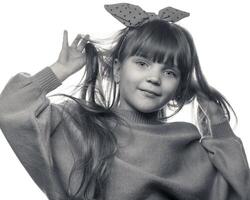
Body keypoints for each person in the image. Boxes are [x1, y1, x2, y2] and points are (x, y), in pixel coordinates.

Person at [0, 3, 249, 200]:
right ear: (118, 70)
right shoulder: (78, 124)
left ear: (179, 86)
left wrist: (216, 119)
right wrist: (58, 71)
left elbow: (239, 190)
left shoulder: (185, 142)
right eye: (142, 63)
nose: (154, 78)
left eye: (169, 72)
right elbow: (10, 108)